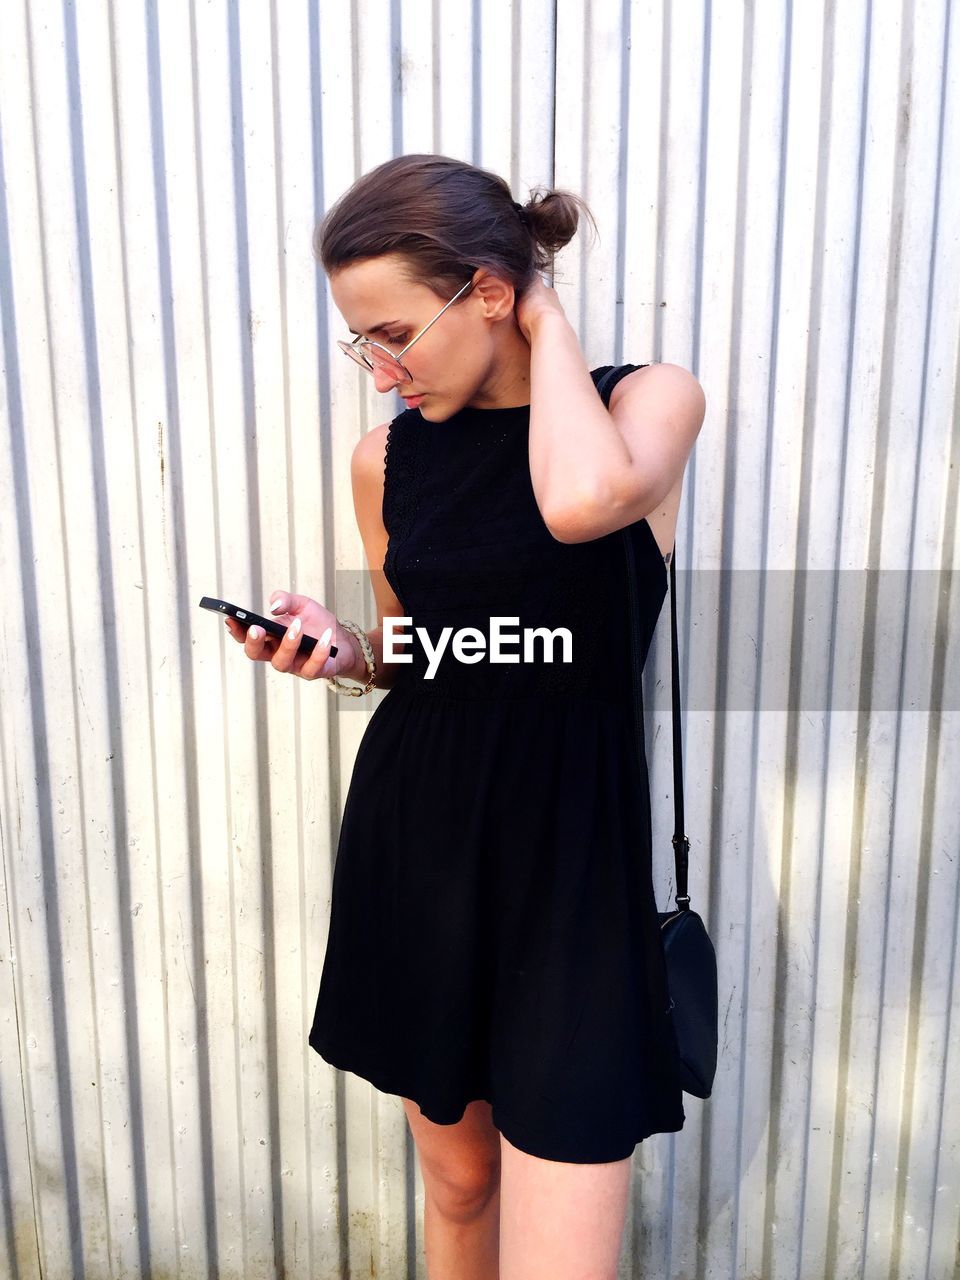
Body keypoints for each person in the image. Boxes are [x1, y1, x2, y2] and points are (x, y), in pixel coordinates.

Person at [224, 153, 705, 1280]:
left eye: (394, 332)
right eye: (360, 341)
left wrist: (543, 311)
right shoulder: (383, 458)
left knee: (564, 1230)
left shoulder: (645, 402)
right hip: (420, 841)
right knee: (459, 1181)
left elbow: (582, 505)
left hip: (573, 863)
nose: (379, 368)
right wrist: (343, 651)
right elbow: (417, 646)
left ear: (487, 291)